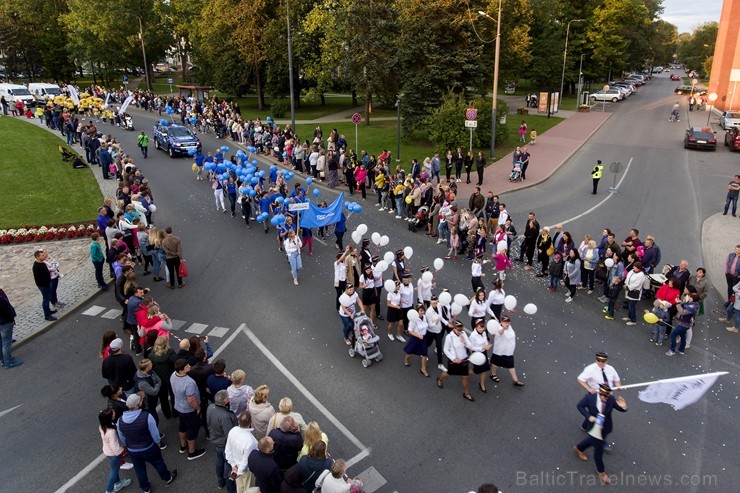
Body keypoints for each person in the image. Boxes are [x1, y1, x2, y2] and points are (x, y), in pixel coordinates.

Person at [117, 394, 178, 491]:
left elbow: (122, 438)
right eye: (140, 401)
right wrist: (158, 443)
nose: (141, 402)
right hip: (148, 447)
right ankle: (167, 477)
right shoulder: (146, 416)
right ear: (137, 405)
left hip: (132, 450)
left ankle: (145, 488)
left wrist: (127, 446)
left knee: (139, 469)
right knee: (158, 463)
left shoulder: (120, 421)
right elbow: (154, 433)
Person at [573, 384, 628, 485]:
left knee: (595, 441)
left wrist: (623, 406)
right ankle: (601, 471)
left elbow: (619, 408)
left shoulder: (610, 399)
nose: (604, 398)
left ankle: (579, 448)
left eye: (606, 396)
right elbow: (579, 406)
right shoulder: (590, 398)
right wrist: (588, 416)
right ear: (599, 392)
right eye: (603, 395)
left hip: (605, 427)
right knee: (598, 451)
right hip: (594, 427)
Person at [170, 359, 207, 460]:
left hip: (178, 406)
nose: (189, 366)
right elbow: (191, 399)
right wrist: (198, 408)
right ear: (181, 370)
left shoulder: (173, 375)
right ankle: (192, 452)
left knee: (182, 426)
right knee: (192, 429)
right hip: (189, 410)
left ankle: (183, 446)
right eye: (187, 366)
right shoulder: (188, 382)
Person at [207, 390, 238, 492]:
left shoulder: (210, 407)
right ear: (225, 401)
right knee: (229, 467)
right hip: (225, 444)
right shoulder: (225, 416)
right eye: (228, 398)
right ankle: (231, 489)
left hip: (216, 440)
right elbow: (230, 434)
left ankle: (220, 481)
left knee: (219, 461)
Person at [437, 321, 476, 401]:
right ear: (454, 328)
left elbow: (470, 346)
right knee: (449, 373)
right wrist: (453, 359)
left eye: (461, 330)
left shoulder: (463, 334)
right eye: (458, 330)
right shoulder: (449, 337)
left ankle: (466, 393)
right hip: (454, 361)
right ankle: (440, 379)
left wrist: (464, 342)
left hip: (463, 359)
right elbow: (445, 349)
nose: (460, 331)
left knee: (465, 376)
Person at [98, 408, 132, 493]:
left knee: (115, 469)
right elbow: (114, 446)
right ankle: (108, 490)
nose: (114, 414)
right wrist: (121, 451)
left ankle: (118, 483)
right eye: (112, 414)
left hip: (107, 451)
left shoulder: (102, 426)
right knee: (114, 471)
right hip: (114, 454)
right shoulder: (111, 431)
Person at [226, 411, 259, 493]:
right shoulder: (251, 441)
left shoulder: (233, 430)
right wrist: (239, 472)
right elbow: (245, 461)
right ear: (250, 422)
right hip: (245, 470)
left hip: (236, 466)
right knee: (248, 488)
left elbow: (228, 450)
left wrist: (233, 466)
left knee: (239, 487)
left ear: (238, 421)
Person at [489, 316, 524, 387]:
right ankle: (493, 374)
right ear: (501, 322)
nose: (507, 324)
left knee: (511, 365)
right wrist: (503, 328)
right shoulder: (499, 328)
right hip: (499, 351)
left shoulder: (509, 327)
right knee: (495, 363)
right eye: (505, 322)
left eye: (508, 322)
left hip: (508, 352)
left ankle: (516, 380)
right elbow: (500, 333)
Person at [403, 304, 430, 377]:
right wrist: (418, 335)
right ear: (417, 311)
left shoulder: (424, 317)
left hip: (423, 338)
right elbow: (410, 331)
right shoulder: (413, 320)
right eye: (420, 311)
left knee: (424, 354)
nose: (422, 312)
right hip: (415, 338)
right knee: (410, 352)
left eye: (423, 310)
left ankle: (423, 369)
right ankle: (406, 359)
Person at [468, 320, 492, 393]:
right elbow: (470, 347)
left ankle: (482, 384)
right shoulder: (473, 335)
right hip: (477, 353)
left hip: (483, 352)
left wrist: (487, 345)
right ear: (476, 327)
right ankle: (465, 373)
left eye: (482, 328)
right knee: (477, 370)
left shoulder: (484, 332)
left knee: (484, 369)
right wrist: (482, 347)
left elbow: (485, 341)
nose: (481, 329)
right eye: (479, 328)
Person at [0, 290, 22, 368]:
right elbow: (6, 310)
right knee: (6, 343)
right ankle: (8, 361)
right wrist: (10, 320)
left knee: (1, 342)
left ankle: (2, 360)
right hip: (4, 323)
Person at [32, 249, 56, 321]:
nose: (44, 256)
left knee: (47, 298)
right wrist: (47, 285)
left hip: (47, 283)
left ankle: (48, 311)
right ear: (38, 257)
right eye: (42, 255)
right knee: (46, 299)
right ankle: (47, 315)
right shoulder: (36, 266)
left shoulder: (42, 263)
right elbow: (40, 278)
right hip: (44, 286)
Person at [623, 261, 646, 326]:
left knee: (631, 306)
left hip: (634, 292)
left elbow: (636, 284)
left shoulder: (641, 275)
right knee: (629, 304)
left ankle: (633, 320)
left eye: (635, 267)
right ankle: (629, 317)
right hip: (628, 290)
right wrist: (625, 284)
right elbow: (627, 278)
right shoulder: (632, 271)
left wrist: (628, 287)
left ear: (638, 268)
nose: (633, 268)